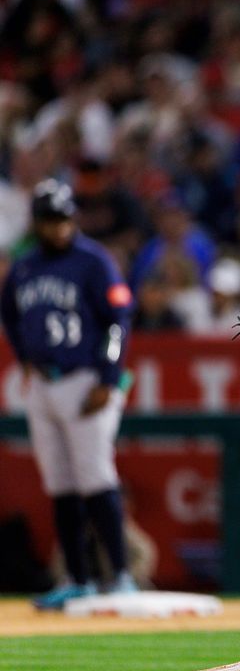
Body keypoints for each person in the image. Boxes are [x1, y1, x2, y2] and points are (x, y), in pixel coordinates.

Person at [1, 180, 136, 610]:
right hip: (43, 382)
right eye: (49, 219)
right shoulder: (24, 266)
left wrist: (107, 378)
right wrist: (24, 356)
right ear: (38, 222)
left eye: (63, 218)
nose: (58, 227)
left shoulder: (93, 261)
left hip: (85, 379)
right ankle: (77, 577)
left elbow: (118, 320)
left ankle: (120, 575)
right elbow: (10, 314)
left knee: (95, 477)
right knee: (60, 484)